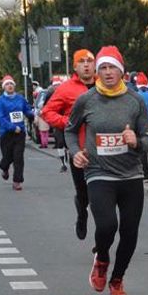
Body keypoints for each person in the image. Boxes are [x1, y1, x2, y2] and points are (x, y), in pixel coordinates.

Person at [66, 46, 148, 295]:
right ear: (97, 71)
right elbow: (70, 130)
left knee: (129, 232)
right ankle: (102, 257)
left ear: (121, 71)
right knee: (107, 225)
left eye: (111, 67)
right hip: (98, 172)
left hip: (130, 174)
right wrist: (75, 152)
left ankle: (117, 279)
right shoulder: (87, 100)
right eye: (102, 68)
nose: (107, 73)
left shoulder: (135, 100)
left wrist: (135, 140)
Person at [41, 49, 98, 239]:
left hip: (103, 151)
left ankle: (102, 240)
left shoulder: (104, 85)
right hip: (79, 151)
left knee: (101, 198)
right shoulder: (66, 88)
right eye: (82, 61)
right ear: (75, 66)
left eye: (90, 60)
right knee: (84, 195)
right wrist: (69, 123)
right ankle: (82, 214)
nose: (87, 64)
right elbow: (47, 112)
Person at [0, 76, 35, 191]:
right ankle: (4, 168)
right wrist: (12, 127)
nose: (10, 86)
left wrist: (33, 115)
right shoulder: (0, 101)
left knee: (18, 157)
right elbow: (0, 118)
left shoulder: (20, 98)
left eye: (11, 84)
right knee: (7, 157)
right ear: (4, 87)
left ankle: (17, 181)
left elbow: (26, 110)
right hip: (6, 133)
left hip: (20, 133)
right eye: (7, 84)